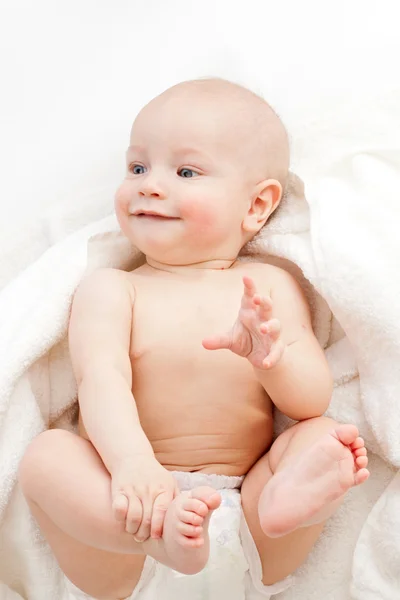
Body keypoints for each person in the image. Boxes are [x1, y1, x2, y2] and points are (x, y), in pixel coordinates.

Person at [19, 78, 369, 600]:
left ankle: (286, 503)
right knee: (47, 455)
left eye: (185, 171)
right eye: (137, 167)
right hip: (130, 520)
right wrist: (134, 468)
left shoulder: (266, 289)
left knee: (322, 435)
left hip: (249, 518)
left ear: (256, 207)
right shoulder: (113, 289)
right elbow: (101, 381)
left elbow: (310, 399)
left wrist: (270, 361)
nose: (149, 185)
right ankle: (156, 536)